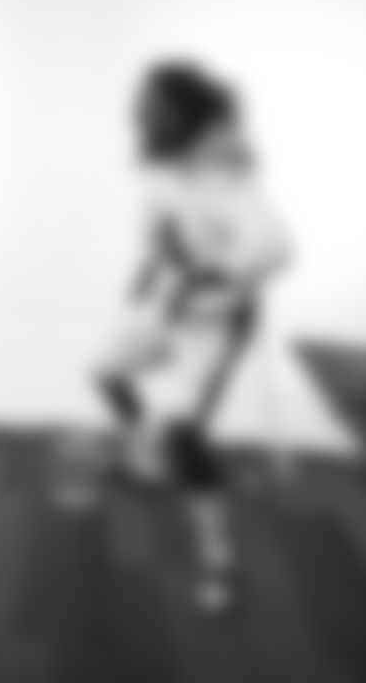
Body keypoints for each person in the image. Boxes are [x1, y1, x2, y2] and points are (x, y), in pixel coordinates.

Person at [93, 60, 293, 612]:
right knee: (106, 373)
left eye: (150, 105)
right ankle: (144, 453)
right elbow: (159, 232)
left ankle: (217, 559)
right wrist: (148, 270)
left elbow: (277, 249)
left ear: (179, 113)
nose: (139, 113)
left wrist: (213, 278)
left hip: (218, 323)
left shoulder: (226, 175)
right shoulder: (163, 169)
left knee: (185, 439)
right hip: (168, 305)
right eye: (142, 104)